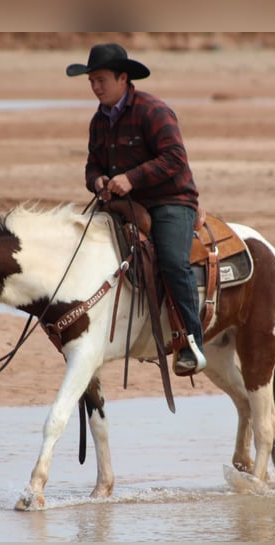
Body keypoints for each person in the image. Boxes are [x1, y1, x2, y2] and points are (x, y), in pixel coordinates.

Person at [67, 43, 207, 376]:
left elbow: (175, 159)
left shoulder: (153, 111)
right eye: (92, 81)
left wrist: (131, 178)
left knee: (174, 262)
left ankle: (191, 341)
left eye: (101, 79)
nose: (96, 87)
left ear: (123, 78)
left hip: (170, 200)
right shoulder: (98, 122)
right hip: (123, 204)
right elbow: (92, 165)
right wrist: (97, 180)